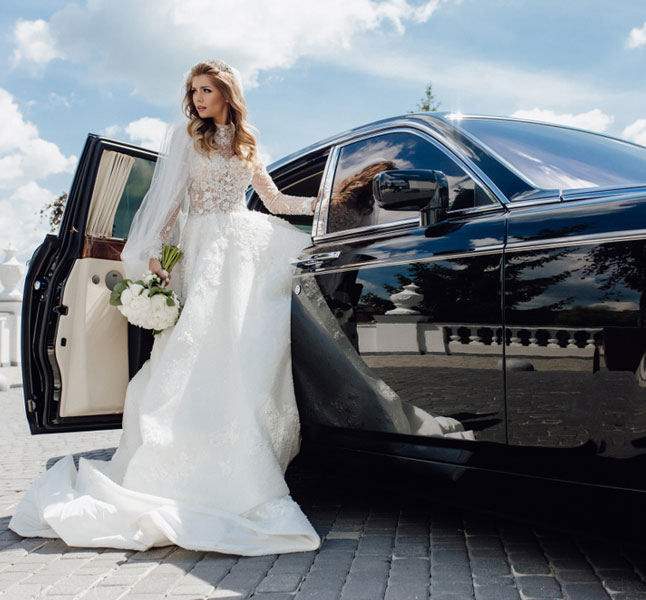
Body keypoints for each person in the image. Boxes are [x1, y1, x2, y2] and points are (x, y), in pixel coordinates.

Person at [9, 59, 322, 555]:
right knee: (192, 349)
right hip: (203, 249)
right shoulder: (187, 138)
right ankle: (180, 458)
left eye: (207, 90)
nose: (198, 98)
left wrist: (325, 202)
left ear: (227, 93)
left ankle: (242, 452)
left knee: (244, 352)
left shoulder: (247, 140)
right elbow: (170, 201)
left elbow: (276, 201)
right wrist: (155, 250)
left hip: (243, 247)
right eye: (193, 90)